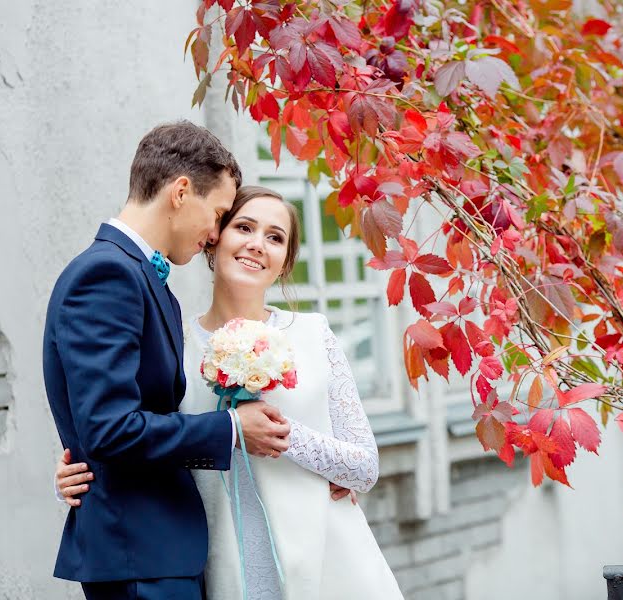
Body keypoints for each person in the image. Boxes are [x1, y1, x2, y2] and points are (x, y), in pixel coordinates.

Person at [57, 184, 404, 599]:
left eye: (275, 238)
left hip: (324, 559)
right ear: (214, 240)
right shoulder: (176, 346)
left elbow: (363, 466)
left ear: (284, 263)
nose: (258, 245)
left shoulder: (313, 334)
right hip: (219, 565)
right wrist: (75, 475)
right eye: (244, 227)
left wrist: (279, 434)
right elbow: (135, 432)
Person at [44, 122, 292, 600]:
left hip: (161, 551)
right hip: (140, 552)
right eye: (219, 213)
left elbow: (117, 421)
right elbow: (109, 429)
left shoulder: (140, 278)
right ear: (181, 192)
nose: (216, 233)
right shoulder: (106, 275)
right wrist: (234, 429)